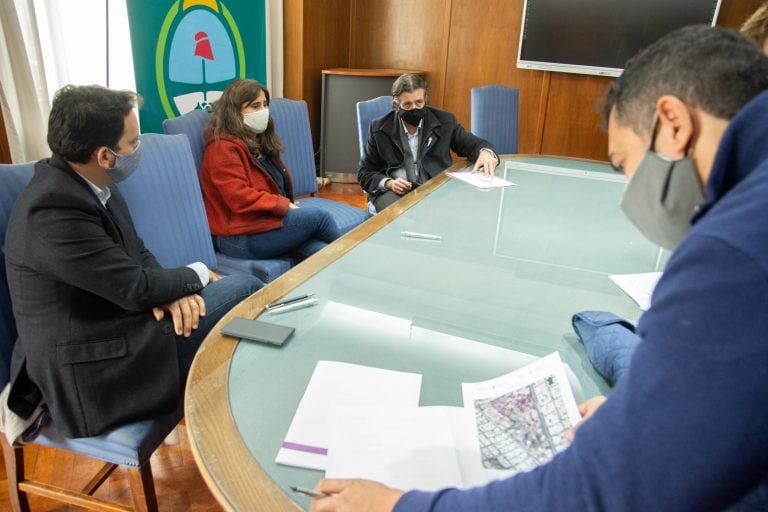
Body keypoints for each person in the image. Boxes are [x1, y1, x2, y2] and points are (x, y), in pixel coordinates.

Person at [309, 26, 768, 512]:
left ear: (673, 124)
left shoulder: (734, 250)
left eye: (624, 164)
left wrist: (398, 505)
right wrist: (656, 413)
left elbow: (596, 493)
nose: (632, 190)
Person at [3, 85, 262, 439]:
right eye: (134, 142)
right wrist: (198, 274)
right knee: (244, 289)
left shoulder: (91, 183)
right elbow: (135, 288)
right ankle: (236, 426)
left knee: (229, 316)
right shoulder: (51, 211)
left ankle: (233, 420)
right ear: (105, 156)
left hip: (122, 320)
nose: (138, 149)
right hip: (92, 369)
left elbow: (136, 252)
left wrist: (171, 293)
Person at [200, 78, 348, 261]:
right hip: (239, 236)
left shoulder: (259, 140)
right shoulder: (221, 148)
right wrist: (284, 205)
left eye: (265, 105)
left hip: (264, 224)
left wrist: (285, 207)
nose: (263, 111)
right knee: (320, 218)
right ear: (234, 112)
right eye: (255, 106)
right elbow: (239, 197)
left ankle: (350, 277)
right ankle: (353, 262)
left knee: (322, 253)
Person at [357, 74, 499, 212]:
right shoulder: (378, 128)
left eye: (419, 102)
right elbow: (365, 172)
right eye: (407, 104)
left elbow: (473, 144)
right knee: (402, 217)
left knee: (456, 212)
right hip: (393, 192)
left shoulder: (444, 121)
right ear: (396, 105)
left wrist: (485, 152)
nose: (414, 108)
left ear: (425, 99)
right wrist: (388, 183)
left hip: (433, 187)